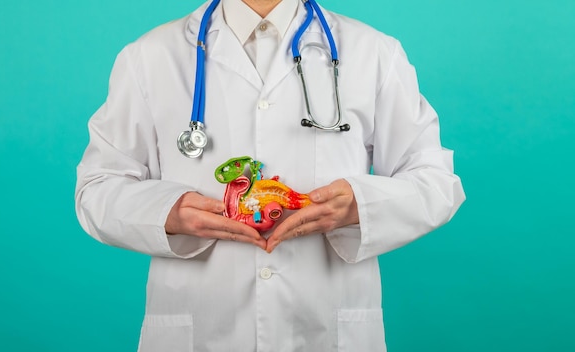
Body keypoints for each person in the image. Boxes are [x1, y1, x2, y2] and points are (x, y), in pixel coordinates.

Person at [75, 0, 465, 350]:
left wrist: (358, 205)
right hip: (198, 329)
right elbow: (97, 189)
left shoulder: (374, 54)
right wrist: (169, 213)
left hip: (328, 328)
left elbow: (436, 181)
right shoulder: (150, 57)